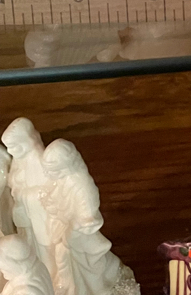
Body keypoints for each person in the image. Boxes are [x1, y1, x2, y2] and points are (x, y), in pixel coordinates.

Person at [40, 141, 122, 295]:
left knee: (89, 266)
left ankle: (94, 289)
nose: (48, 175)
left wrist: (73, 228)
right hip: (67, 233)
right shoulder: (59, 181)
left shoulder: (82, 186)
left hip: (81, 235)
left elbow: (88, 216)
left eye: (52, 170)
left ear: (66, 166)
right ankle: (69, 286)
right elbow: (57, 203)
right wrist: (50, 204)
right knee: (62, 256)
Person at [1, 121, 56, 281]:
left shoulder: (38, 161)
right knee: (28, 243)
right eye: (9, 147)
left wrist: (23, 195)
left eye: (14, 147)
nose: (10, 151)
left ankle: (49, 274)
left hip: (38, 217)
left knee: (44, 249)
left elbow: (45, 191)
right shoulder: (18, 161)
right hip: (23, 215)